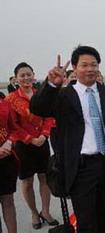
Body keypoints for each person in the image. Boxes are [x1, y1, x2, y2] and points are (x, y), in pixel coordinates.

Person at [30, 46, 105, 233]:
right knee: (86, 223)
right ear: (75, 68)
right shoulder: (63, 95)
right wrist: (52, 85)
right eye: (84, 65)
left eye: (94, 65)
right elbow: (38, 108)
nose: (90, 69)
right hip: (81, 168)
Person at [5, 62, 57, 229]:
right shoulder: (11, 99)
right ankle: (34, 213)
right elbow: (11, 125)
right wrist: (29, 138)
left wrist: (44, 135)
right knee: (27, 182)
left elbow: (49, 116)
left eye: (29, 74)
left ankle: (46, 211)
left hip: (42, 141)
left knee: (45, 178)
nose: (26, 78)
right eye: (22, 75)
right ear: (16, 79)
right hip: (23, 145)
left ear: (34, 75)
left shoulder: (40, 93)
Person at [0, 98, 21, 233]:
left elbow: (14, 129)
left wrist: (9, 142)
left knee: (8, 201)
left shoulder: (4, 103)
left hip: (6, 160)